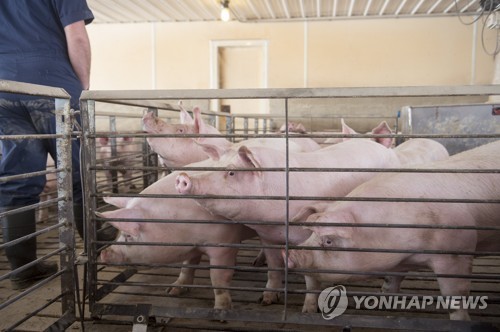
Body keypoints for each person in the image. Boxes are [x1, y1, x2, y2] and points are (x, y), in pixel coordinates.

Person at [0, 0, 95, 290]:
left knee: (19, 177)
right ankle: (99, 253)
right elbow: (76, 36)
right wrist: (82, 88)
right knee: (78, 173)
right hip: (51, 84)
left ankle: (22, 268)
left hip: (4, 87)